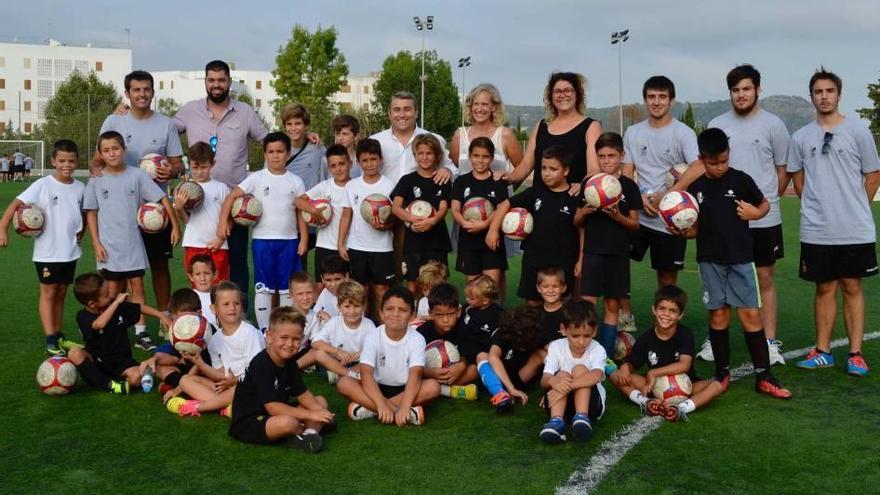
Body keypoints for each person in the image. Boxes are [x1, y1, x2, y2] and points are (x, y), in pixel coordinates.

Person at [675, 128, 791, 398]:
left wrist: (755, 212)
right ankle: (721, 373)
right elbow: (695, 228)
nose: (720, 167)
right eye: (713, 163)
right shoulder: (696, 188)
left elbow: (764, 205)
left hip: (740, 259)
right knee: (718, 314)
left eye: (724, 161)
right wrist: (684, 230)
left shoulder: (740, 180)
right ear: (701, 159)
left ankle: (764, 375)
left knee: (750, 314)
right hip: (709, 260)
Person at [689, 64, 791, 366]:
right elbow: (702, 166)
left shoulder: (774, 124)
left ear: (758, 89)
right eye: (736, 90)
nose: (741, 94)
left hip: (761, 216)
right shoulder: (719, 124)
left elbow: (783, 169)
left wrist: (764, 202)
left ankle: (769, 342)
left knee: (764, 277)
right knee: (720, 276)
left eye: (747, 88)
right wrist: (674, 195)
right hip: (723, 221)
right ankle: (715, 338)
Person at [788, 68, 880, 377]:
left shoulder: (858, 132)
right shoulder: (801, 137)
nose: (824, 96)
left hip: (854, 228)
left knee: (852, 286)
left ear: (838, 95)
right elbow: (797, 178)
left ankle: (855, 354)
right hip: (816, 229)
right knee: (824, 287)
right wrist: (817, 208)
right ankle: (823, 351)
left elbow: (873, 175)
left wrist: (854, 208)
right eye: (818, 91)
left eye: (829, 91)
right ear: (811, 96)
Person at [174, 60, 269, 306]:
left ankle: (239, 313)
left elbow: (269, 141)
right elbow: (162, 132)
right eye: (211, 80)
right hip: (199, 201)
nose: (216, 85)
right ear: (205, 82)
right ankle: (199, 312)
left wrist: (302, 139)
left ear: (229, 81)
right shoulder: (189, 111)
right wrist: (128, 114)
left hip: (236, 204)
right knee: (200, 267)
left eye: (221, 80)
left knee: (236, 261)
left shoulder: (245, 112)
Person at [93, 70, 185, 318]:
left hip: (155, 210)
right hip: (121, 211)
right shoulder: (114, 121)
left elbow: (179, 165)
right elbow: (96, 162)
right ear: (127, 94)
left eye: (146, 89)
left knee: (159, 265)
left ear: (153, 92)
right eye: (136, 90)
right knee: (119, 272)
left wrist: (171, 171)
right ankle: (118, 321)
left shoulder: (166, 124)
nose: (142, 94)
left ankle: (165, 317)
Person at [84, 131, 180, 351]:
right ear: (100, 153)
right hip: (108, 247)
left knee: (137, 288)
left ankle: (141, 332)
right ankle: (111, 330)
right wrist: (96, 243)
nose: (112, 153)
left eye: (115, 148)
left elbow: (162, 197)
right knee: (110, 291)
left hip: (134, 245)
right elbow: (90, 212)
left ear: (124, 150)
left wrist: (174, 226)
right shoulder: (96, 180)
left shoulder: (137, 175)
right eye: (106, 150)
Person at [621, 76, 700, 332]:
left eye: (662, 97)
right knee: (618, 262)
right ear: (645, 100)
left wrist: (670, 193)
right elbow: (627, 172)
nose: (656, 102)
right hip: (639, 215)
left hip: (670, 218)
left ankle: (663, 325)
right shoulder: (633, 132)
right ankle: (625, 317)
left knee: (667, 279)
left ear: (671, 100)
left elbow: (698, 166)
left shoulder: (683, 133)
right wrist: (639, 196)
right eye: (651, 97)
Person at [0, 140, 85, 355]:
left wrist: (81, 231)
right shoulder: (43, 184)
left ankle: (58, 334)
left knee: (61, 292)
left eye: (71, 161)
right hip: (47, 252)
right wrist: (2, 229)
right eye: (62, 160)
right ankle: (50, 339)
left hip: (70, 251)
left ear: (77, 162)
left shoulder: (80, 187)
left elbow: (81, 214)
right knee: (48, 292)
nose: (67, 165)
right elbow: (15, 205)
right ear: (53, 162)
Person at [217, 132, 307, 332]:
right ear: (265, 154)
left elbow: (300, 211)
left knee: (286, 288)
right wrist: (223, 221)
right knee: (264, 287)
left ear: (288, 153)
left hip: (290, 241)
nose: (275, 156)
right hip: (262, 241)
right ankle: (265, 330)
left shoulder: (296, 181)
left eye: (280, 151)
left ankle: (284, 327)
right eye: (271, 152)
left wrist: (304, 237)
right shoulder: (256, 178)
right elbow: (232, 196)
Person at [228, 306, 334, 452]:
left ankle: (308, 435)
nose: (290, 344)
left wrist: (320, 411)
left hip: (276, 412)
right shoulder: (261, 364)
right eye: (284, 338)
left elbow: (302, 394)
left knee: (320, 401)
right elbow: (272, 407)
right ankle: (304, 430)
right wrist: (311, 415)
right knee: (287, 423)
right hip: (252, 420)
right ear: (269, 336)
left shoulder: (289, 361)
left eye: (296, 339)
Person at [610, 285, 724, 422]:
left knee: (717, 385)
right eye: (662, 309)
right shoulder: (647, 338)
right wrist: (625, 367)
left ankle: (682, 408)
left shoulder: (685, 334)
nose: (666, 314)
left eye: (673, 311)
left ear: (681, 315)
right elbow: (632, 362)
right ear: (654, 309)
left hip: (687, 387)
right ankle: (646, 402)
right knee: (616, 375)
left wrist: (653, 373)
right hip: (655, 388)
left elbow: (684, 365)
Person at [487, 145, 583, 304]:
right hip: (534, 259)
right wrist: (493, 230)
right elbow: (504, 204)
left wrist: (581, 259)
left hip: (564, 261)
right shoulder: (535, 192)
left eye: (553, 169)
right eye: (544, 168)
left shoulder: (574, 197)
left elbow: (581, 230)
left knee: (562, 306)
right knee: (532, 305)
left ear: (566, 171)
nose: (546, 173)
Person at [576, 132, 641, 357]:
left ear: (621, 156)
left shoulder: (629, 187)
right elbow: (576, 221)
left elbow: (634, 224)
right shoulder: (589, 184)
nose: (606, 161)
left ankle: (603, 356)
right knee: (587, 304)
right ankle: (585, 353)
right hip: (593, 252)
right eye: (601, 156)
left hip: (618, 254)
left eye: (611, 156)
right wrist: (583, 212)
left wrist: (617, 217)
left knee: (612, 306)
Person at [337, 286, 441, 425]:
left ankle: (369, 409)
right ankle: (404, 413)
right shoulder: (373, 336)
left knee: (433, 387)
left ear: (412, 316)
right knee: (344, 383)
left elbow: (415, 375)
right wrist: (381, 404)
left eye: (403, 310)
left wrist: (405, 405)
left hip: (406, 389)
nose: (395, 314)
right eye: (389, 309)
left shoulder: (417, 339)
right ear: (381, 313)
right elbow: (366, 374)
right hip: (375, 388)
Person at [167, 281, 265, 416]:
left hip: (251, 386)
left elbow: (259, 372)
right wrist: (198, 362)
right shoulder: (213, 339)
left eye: (236, 303)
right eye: (226, 304)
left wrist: (235, 381)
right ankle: (226, 408)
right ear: (213, 309)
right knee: (185, 380)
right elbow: (219, 375)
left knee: (239, 389)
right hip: (228, 387)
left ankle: (197, 407)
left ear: (242, 306)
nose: (232, 308)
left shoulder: (249, 333)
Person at [66, 272, 171, 394]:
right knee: (74, 353)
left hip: (121, 361)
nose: (111, 295)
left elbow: (139, 308)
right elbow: (99, 324)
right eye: (106, 295)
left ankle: (119, 381)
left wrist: (161, 316)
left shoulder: (116, 307)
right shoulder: (83, 316)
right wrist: (116, 302)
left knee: (137, 378)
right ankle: (108, 385)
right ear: (92, 304)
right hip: (96, 363)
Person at [504, 72, 602, 191]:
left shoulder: (591, 127)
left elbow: (594, 169)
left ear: (578, 95)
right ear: (551, 97)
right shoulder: (541, 126)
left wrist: (583, 185)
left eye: (568, 90)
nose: (563, 95)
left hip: (572, 202)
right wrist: (509, 177)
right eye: (557, 91)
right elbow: (525, 166)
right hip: (541, 202)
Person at [337, 139, 396, 321]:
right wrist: (341, 243)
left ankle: (382, 326)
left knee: (381, 289)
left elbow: (395, 218)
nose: (369, 164)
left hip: (382, 247)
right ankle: (363, 325)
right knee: (361, 290)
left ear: (380, 160)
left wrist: (385, 225)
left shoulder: (389, 185)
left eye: (373, 159)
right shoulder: (352, 186)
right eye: (365, 160)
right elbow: (347, 215)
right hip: (358, 247)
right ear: (358, 162)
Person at [391, 133, 453, 294]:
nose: (425, 157)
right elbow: (396, 208)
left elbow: (443, 208)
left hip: (437, 241)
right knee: (412, 284)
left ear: (437, 156)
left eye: (429, 153)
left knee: (437, 284)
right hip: (414, 242)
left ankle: (435, 316)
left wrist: (431, 222)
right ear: (415, 155)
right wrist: (411, 218)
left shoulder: (442, 180)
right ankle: (412, 317)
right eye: (421, 153)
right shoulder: (407, 180)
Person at [539, 299, 606, 444]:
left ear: (594, 331)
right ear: (563, 329)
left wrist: (563, 388)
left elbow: (596, 375)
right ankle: (556, 423)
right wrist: (554, 381)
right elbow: (544, 380)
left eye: (587, 336)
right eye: (575, 336)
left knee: (580, 369)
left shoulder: (597, 349)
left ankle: (582, 417)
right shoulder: (556, 346)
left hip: (591, 406)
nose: (581, 342)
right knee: (561, 375)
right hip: (559, 403)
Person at [450, 137, 511, 291]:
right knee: (474, 290)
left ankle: (494, 315)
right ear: (470, 156)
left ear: (491, 158)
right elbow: (455, 209)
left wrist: (484, 224)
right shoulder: (461, 182)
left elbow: (501, 208)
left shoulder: (498, 182)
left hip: (491, 242)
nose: (480, 160)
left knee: (491, 289)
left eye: (485, 156)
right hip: (468, 242)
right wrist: (465, 223)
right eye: (476, 156)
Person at [295, 144, 352, 290]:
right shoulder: (324, 186)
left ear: (350, 163)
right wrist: (314, 211)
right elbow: (298, 201)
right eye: (333, 166)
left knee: (348, 288)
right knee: (322, 287)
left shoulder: (356, 186)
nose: (338, 169)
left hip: (349, 246)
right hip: (325, 245)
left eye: (342, 164)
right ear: (329, 168)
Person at [370, 91, 457, 185]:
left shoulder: (434, 139)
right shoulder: (374, 141)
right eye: (397, 110)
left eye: (407, 109)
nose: (402, 115)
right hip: (383, 199)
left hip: (423, 199)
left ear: (416, 113)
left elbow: (453, 170)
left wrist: (447, 170)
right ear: (389, 113)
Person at [174, 141, 230, 283]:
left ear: (212, 163)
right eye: (195, 167)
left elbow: (229, 219)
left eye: (204, 167)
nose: (199, 172)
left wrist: (220, 239)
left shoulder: (222, 188)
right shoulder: (184, 189)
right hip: (194, 243)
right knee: (198, 288)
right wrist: (179, 208)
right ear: (189, 165)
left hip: (217, 245)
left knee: (219, 288)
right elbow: (186, 220)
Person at [416, 283, 479, 400]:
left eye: (450, 314)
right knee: (413, 376)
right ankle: (450, 391)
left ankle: (440, 390)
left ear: (458, 311)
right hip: (430, 375)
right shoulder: (421, 333)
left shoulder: (462, 328)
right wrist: (430, 372)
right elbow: (413, 365)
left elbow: (468, 352)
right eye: (439, 315)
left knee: (474, 370)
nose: (445, 320)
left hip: (455, 374)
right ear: (430, 313)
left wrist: (461, 366)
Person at [310, 279, 376, 384]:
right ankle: (346, 374)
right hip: (337, 361)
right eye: (347, 306)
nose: (352, 311)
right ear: (339, 307)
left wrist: (359, 354)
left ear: (363, 306)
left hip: (357, 363)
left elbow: (375, 347)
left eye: (357, 306)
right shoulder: (334, 322)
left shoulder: (369, 325)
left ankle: (341, 374)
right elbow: (315, 342)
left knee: (370, 362)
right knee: (318, 354)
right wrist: (338, 352)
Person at [485, 305, 547, 413]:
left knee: (544, 354)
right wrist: (511, 388)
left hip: (520, 376)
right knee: (483, 356)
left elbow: (557, 355)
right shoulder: (503, 332)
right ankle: (501, 393)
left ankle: (511, 392)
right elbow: (493, 356)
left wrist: (551, 391)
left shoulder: (537, 333)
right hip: (499, 376)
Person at [462, 276, 508, 409]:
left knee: (481, 357)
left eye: (472, 298)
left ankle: (500, 393)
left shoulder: (498, 315)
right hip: (464, 352)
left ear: (486, 300)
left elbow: (497, 344)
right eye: (467, 296)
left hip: (485, 356)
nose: (467, 300)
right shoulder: (467, 308)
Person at [313, 254, 350, 322]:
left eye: (337, 279)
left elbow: (350, 324)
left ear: (346, 276)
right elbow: (315, 314)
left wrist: (329, 320)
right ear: (322, 279)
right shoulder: (325, 293)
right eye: (328, 280)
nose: (333, 284)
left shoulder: (353, 295)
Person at [186, 254, 218, 328]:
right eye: (198, 274)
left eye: (207, 273)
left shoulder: (221, 296)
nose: (203, 278)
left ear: (215, 274)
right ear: (191, 277)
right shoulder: (187, 298)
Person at [332, 114, 362, 178]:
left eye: (345, 134)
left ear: (356, 136)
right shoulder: (326, 161)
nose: (340, 138)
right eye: (337, 134)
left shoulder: (363, 161)